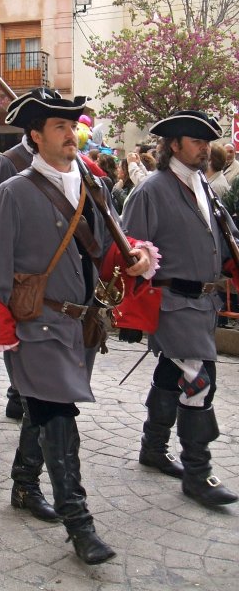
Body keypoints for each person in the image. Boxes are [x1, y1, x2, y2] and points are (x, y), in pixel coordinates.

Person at [0, 89, 153, 564]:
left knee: (44, 407)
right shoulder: (12, 192)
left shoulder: (94, 186)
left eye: (73, 126)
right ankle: (79, 523)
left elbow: (106, 248)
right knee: (58, 415)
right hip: (36, 323)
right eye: (59, 127)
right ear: (35, 135)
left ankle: (24, 484)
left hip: (82, 324)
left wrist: (134, 257)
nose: (71, 135)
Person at [122, 110, 238, 508]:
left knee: (173, 374)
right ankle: (197, 473)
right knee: (200, 383)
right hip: (172, 304)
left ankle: (153, 448)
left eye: (207, 142)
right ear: (174, 145)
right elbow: (129, 245)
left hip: (203, 303)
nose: (205, 148)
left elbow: (224, 238)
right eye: (197, 141)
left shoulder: (201, 183)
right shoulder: (151, 190)